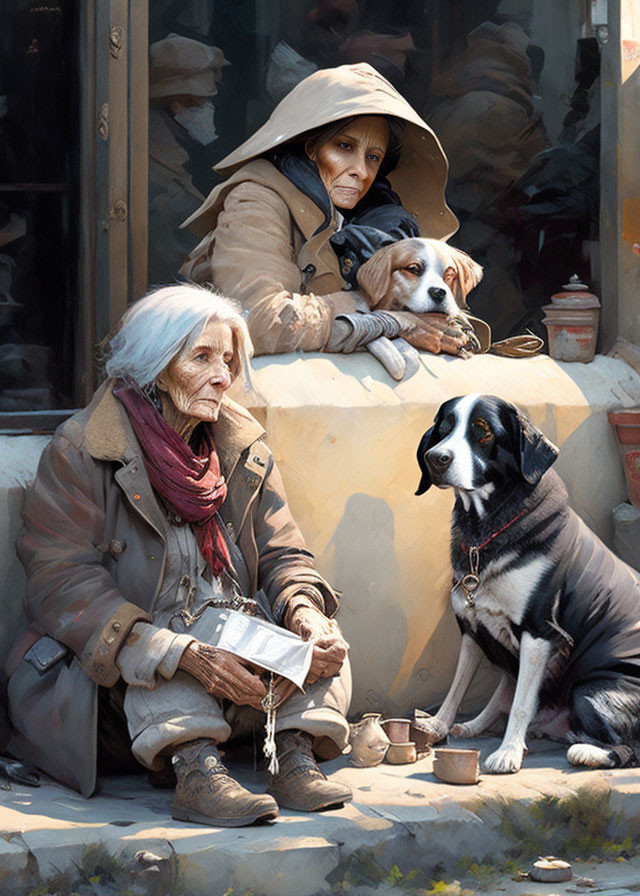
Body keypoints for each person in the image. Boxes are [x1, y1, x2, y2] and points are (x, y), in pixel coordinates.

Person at [5, 284, 352, 827]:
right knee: (162, 658)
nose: (222, 375)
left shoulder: (241, 446)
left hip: (230, 647)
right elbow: (60, 581)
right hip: (118, 677)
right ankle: (197, 773)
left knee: (325, 644)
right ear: (155, 366)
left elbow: (286, 553)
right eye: (202, 358)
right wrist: (180, 651)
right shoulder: (81, 450)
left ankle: (292, 754)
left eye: (229, 360)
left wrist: (305, 614)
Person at [180, 62, 476, 366]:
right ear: (311, 148)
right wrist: (379, 317)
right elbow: (259, 322)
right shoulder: (256, 201)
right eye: (344, 147)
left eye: (373, 157)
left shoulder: (374, 215)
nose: (361, 171)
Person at [148, 33, 228, 284]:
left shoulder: (184, 143)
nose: (209, 109)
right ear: (177, 105)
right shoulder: (157, 164)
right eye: (201, 104)